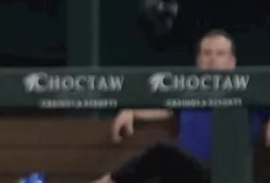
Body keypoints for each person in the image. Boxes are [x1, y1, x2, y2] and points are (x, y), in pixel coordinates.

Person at [96, 30, 270, 183]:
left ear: (232, 62)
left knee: (163, 152)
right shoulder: (188, 94)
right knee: (166, 160)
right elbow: (165, 110)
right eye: (207, 53)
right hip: (184, 173)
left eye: (220, 54)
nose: (213, 59)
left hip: (224, 176)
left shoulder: (250, 94)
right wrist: (133, 112)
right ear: (198, 61)